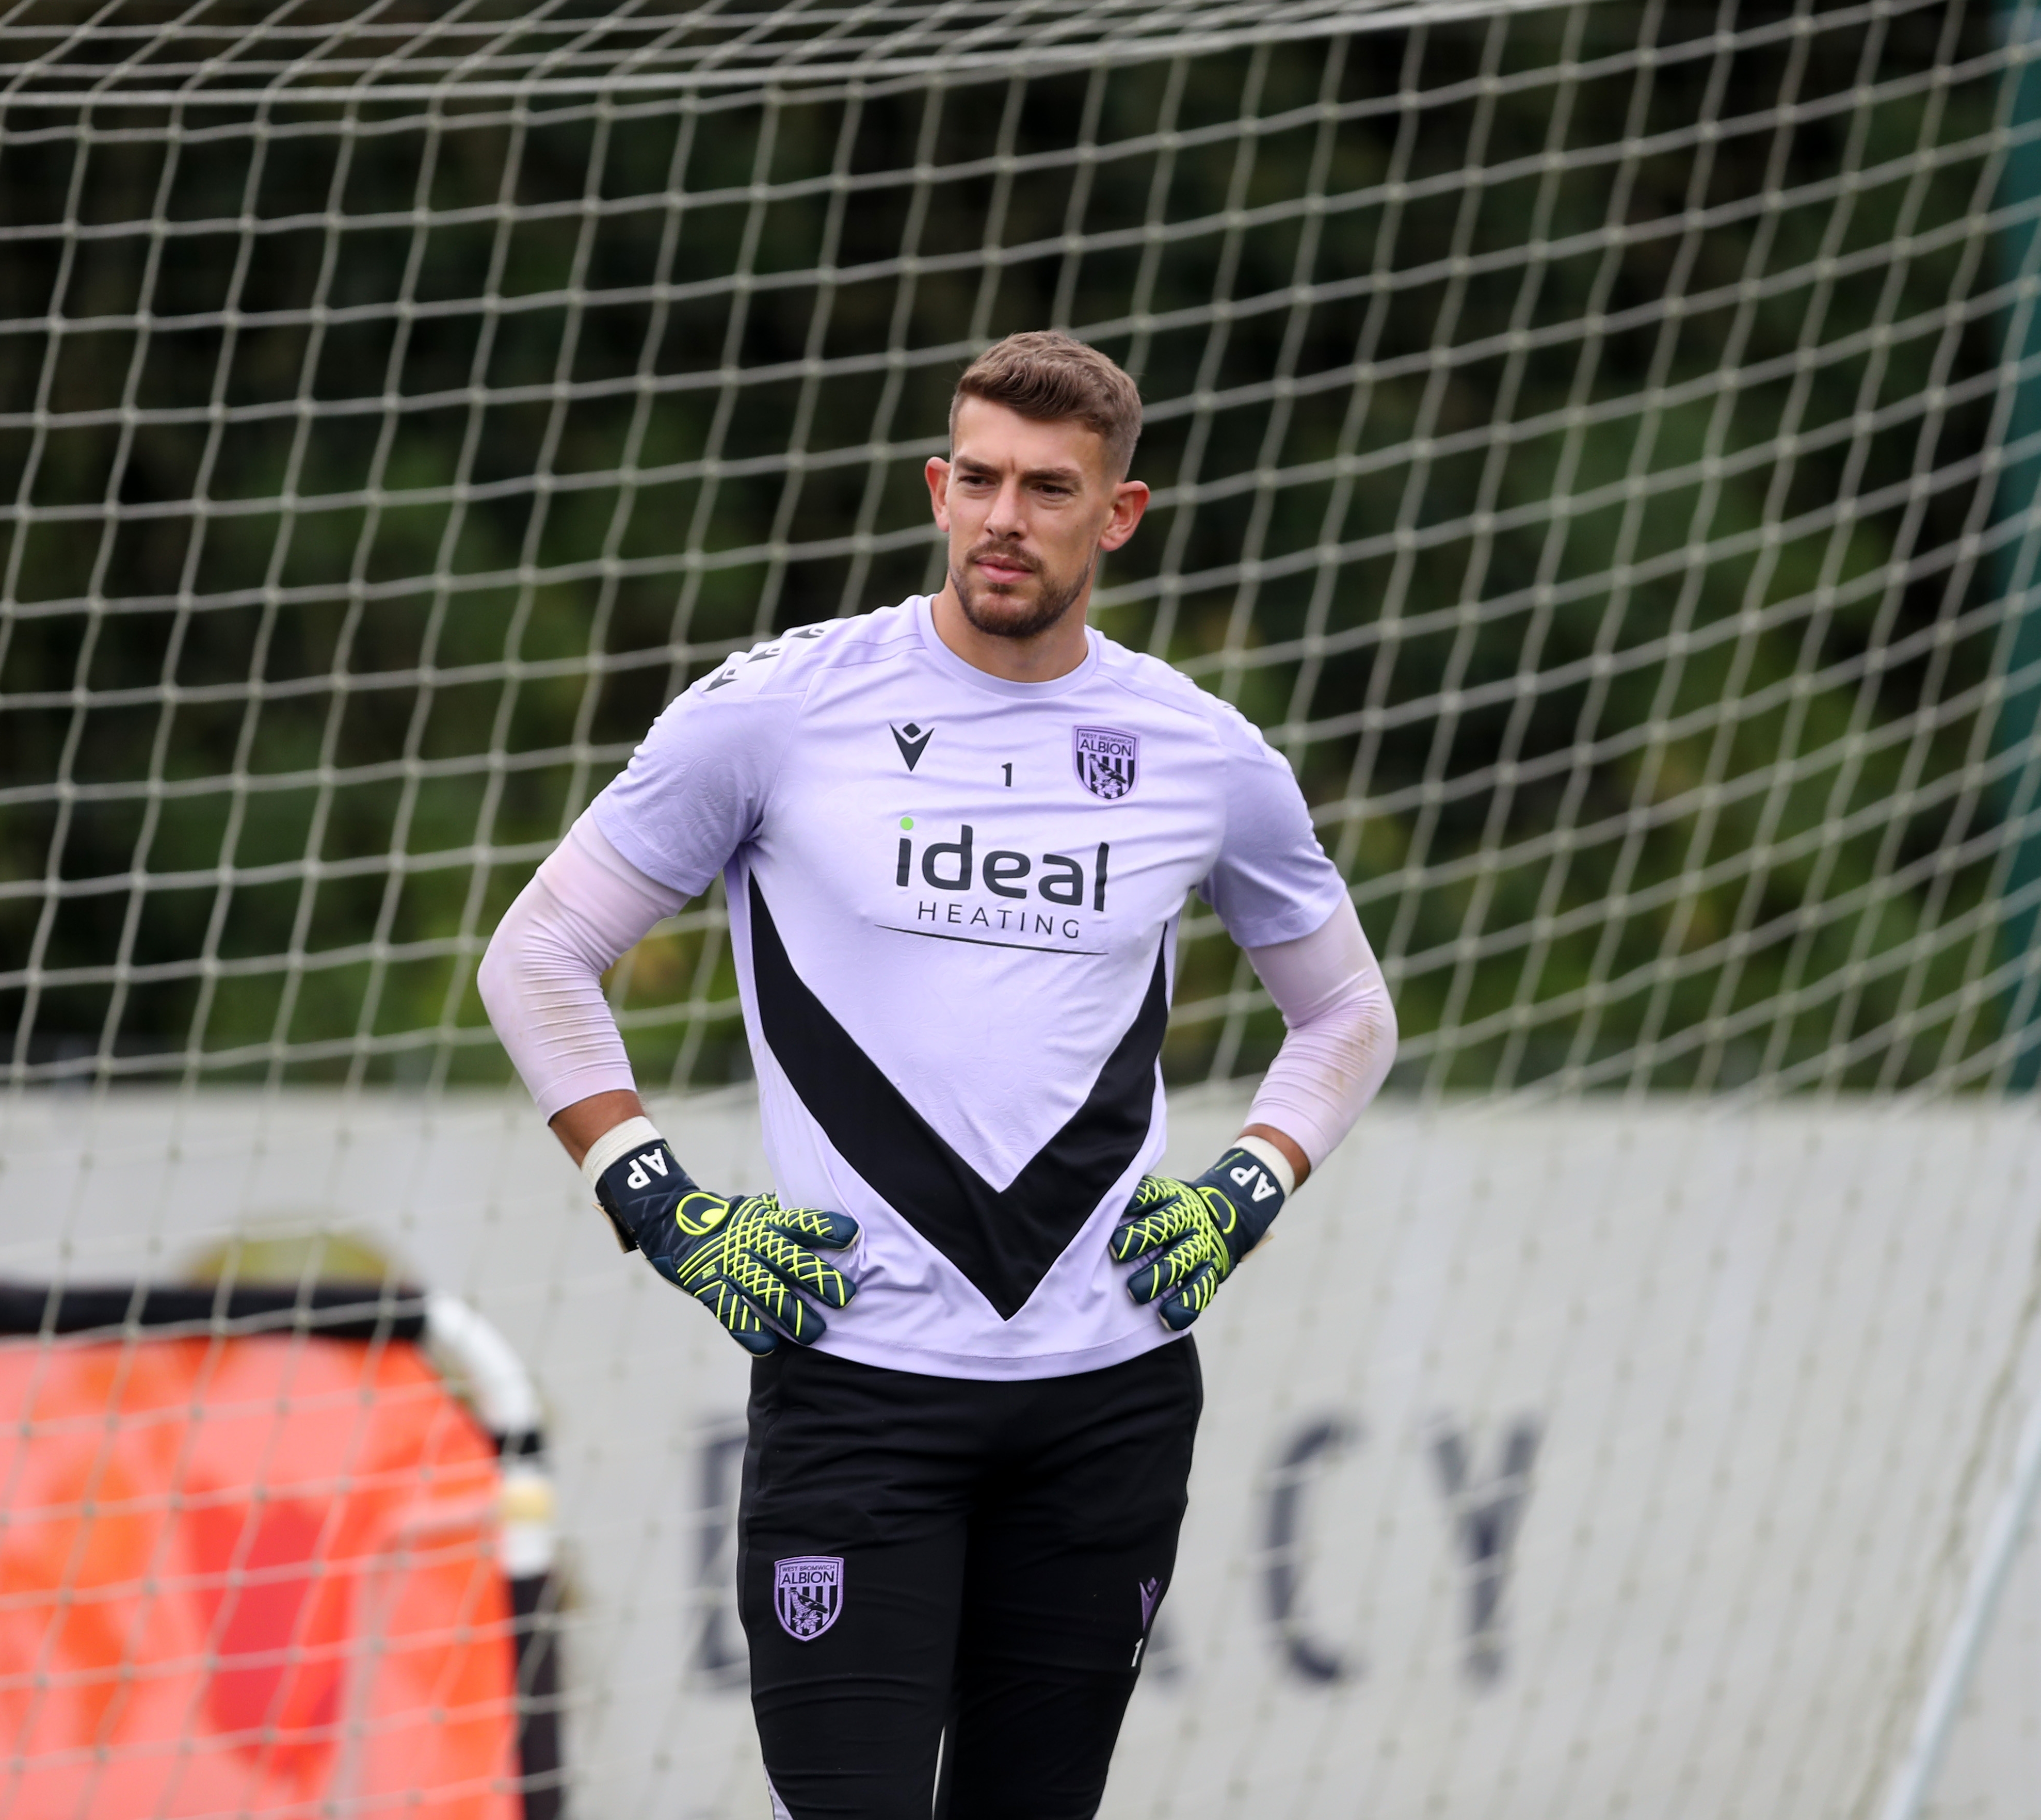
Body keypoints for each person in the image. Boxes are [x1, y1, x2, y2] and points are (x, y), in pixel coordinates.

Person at [479, 330, 1396, 1819]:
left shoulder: (1202, 753)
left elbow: (1348, 1010)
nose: (1001, 519)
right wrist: (661, 1207)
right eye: (975, 479)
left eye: (1048, 489)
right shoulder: (777, 710)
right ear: (934, 486)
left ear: (1119, 515)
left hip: (1108, 1402)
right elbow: (536, 955)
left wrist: (1247, 1186)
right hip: (854, 1395)